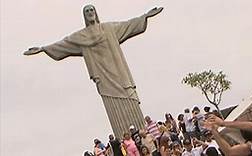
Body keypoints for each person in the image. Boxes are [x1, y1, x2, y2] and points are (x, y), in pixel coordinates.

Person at [23, 4, 163, 138]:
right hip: (103, 78)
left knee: (129, 97)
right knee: (113, 106)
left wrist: (145, 17)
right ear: (85, 16)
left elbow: (128, 25)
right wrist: (43, 48)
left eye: (91, 10)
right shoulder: (80, 37)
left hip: (119, 73)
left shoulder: (109, 28)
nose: (90, 13)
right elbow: (63, 44)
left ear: (95, 13)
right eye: (87, 11)